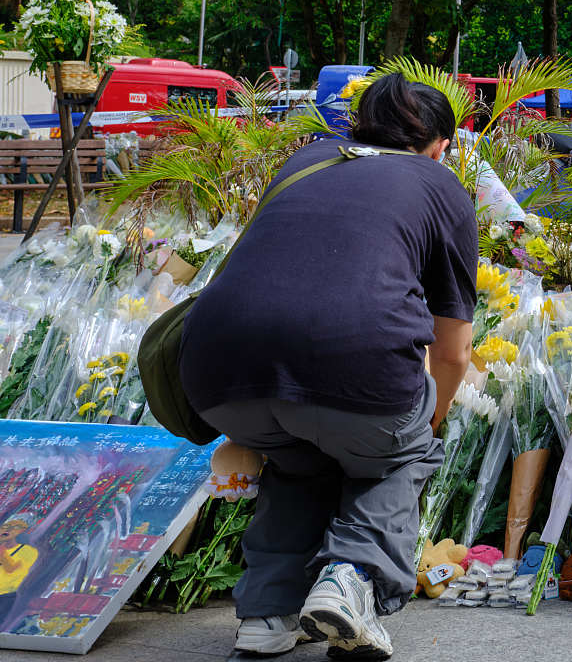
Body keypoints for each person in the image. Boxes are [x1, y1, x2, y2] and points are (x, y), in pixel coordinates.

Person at [180, 75, 477, 660]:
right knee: (405, 451)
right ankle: (351, 579)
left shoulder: (307, 159)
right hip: (352, 364)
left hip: (216, 370)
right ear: (440, 143)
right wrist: (429, 422)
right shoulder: (439, 184)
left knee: (299, 462)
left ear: (356, 124)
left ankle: (266, 617)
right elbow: (452, 353)